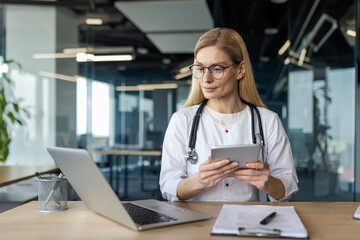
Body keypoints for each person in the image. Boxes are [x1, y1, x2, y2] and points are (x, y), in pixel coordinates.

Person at [159, 27, 298, 202]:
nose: (206, 79)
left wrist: (268, 183)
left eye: (217, 69)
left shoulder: (268, 121)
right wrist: (199, 181)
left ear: (240, 70)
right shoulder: (182, 120)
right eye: (200, 68)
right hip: (196, 225)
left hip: (249, 224)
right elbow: (168, 185)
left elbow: (289, 183)